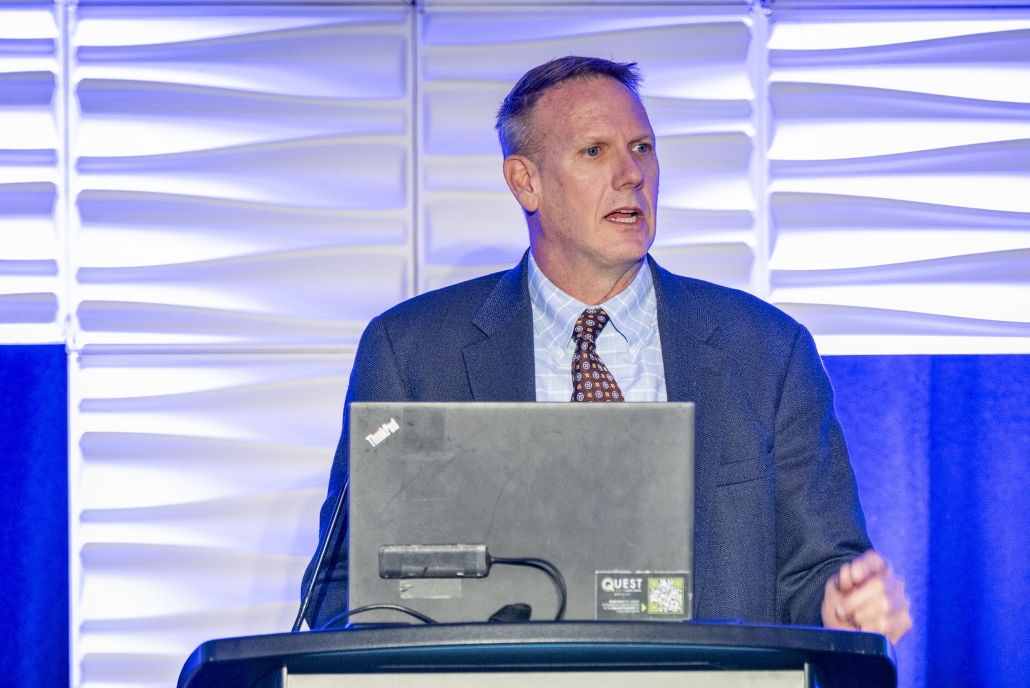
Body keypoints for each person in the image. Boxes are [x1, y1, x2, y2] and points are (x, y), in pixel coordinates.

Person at [302, 56, 912, 642]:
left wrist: (841, 607)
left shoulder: (767, 350)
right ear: (525, 182)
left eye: (641, 148)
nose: (631, 175)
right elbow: (342, 590)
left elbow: (817, 570)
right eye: (594, 151)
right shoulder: (412, 352)